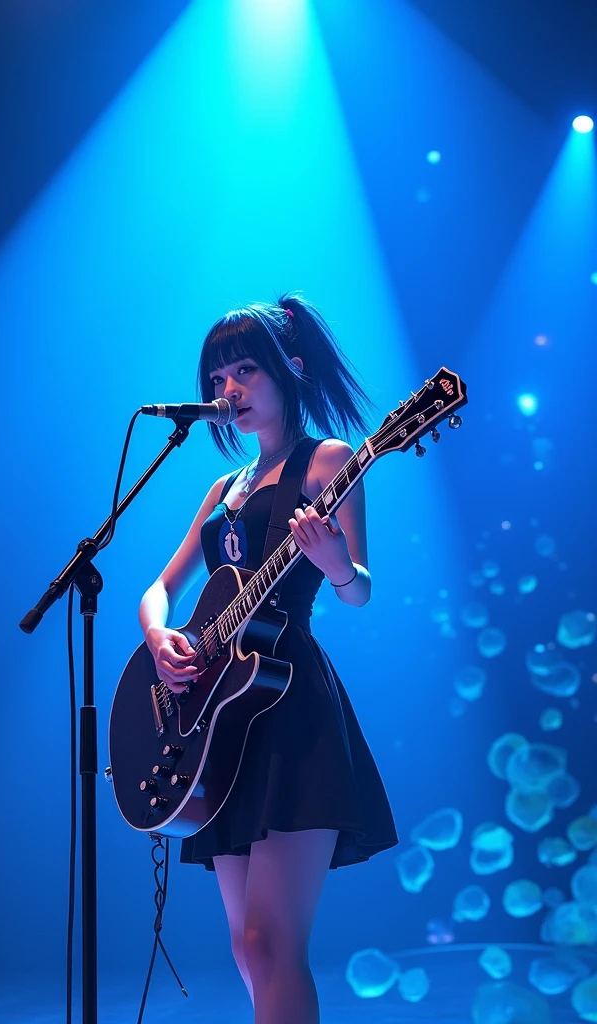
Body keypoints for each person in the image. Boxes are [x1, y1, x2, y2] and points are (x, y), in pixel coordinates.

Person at [138, 294, 399, 1024]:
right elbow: (159, 589)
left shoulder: (331, 462)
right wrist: (161, 640)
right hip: (222, 725)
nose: (229, 392)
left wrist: (336, 562)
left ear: (292, 367)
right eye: (218, 379)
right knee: (246, 949)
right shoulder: (223, 492)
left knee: (271, 937)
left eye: (244, 371)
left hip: (291, 714)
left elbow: (360, 593)